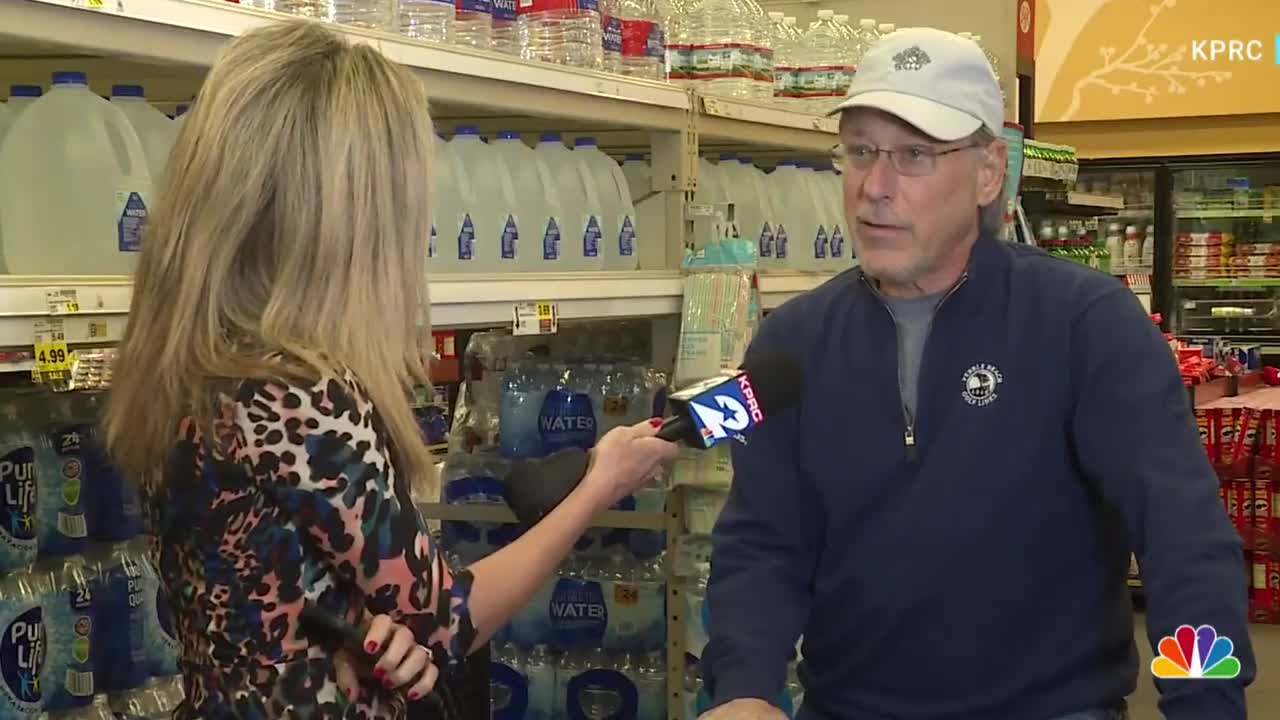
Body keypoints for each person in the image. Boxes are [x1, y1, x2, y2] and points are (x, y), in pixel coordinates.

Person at [103, 20, 678, 719]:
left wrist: (374, 638)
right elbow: (450, 619)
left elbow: (284, 601)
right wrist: (598, 486)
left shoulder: (191, 364)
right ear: (351, 216)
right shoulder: (298, 396)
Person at [700, 27, 1256, 720]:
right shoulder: (790, 344)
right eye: (861, 151)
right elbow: (761, 540)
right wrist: (745, 690)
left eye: (914, 156)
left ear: (990, 171)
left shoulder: (1088, 325)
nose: (874, 187)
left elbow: (1183, 541)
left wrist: (1206, 701)